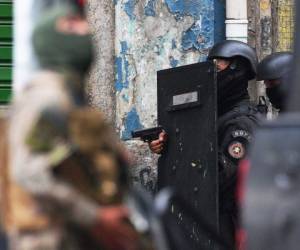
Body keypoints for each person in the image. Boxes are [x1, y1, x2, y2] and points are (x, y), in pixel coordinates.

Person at [8, 2, 137, 250]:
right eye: (72, 24)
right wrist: (94, 217)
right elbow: (29, 173)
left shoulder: (71, 98)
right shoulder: (48, 100)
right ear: (51, 40)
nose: (85, 30)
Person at [150, 40, 260, 250]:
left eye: (218, 66)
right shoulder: (216, 116)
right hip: (211, 220)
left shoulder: (241, 123)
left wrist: (184, 155)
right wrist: (168, 145)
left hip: (228, 224)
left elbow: (217, 177)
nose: (213, 72)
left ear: (237, 70)